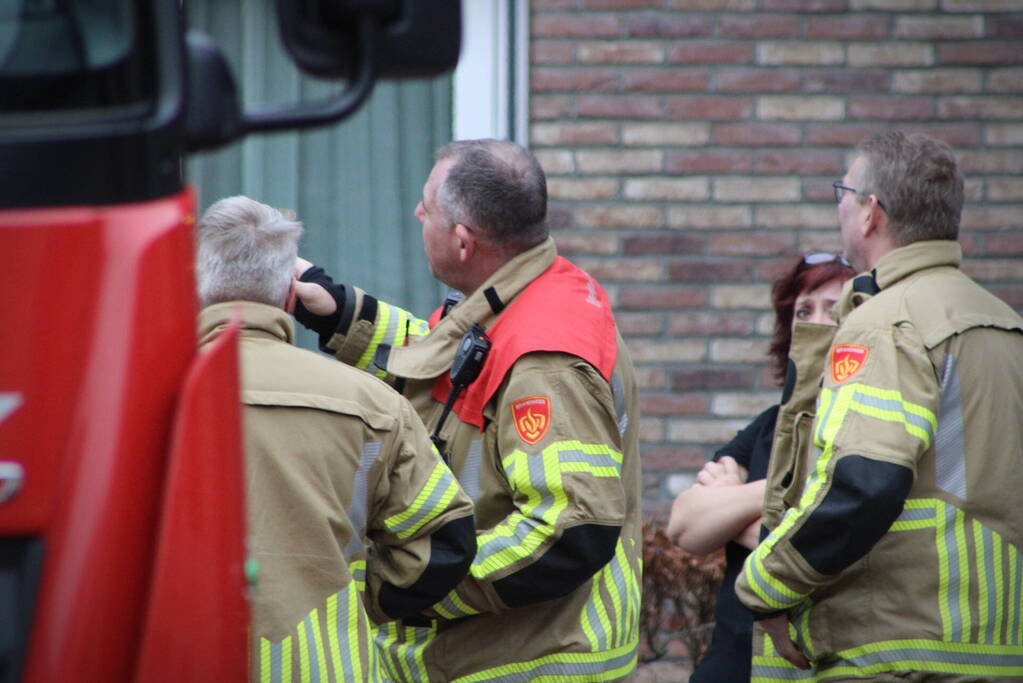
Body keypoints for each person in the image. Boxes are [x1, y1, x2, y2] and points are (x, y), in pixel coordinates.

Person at [292, 139, 642, 682]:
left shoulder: (543, 365)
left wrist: (413, 581)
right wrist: (339, 312)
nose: (416, 214)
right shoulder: (524, 292)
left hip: (525, 662)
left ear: (462, 241)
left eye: (427, 206)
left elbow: (569, 532)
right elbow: (451, 365)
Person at [735, 130, 1023, 680]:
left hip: (896, 649)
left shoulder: (885, 323)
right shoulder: (1003, 321)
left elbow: (865, 481)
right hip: (996, 647)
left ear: (870, 214)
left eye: (842, 192)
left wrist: (765, 586)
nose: (838, 207)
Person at [194, 196, 477, 683]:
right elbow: (442, 545)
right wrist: (351, 591)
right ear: (290, 296)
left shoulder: (125, 403)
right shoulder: (372, 406)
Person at [667, 253, 854, 682]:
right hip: (733, 662)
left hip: (811, 663)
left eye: (833, 309)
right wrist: (783, 496)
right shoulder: (770, 425)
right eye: (802, 311)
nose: (814, 322)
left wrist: (734, 506)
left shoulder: (870, 426)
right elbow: (684, 527)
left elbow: (834, 547)